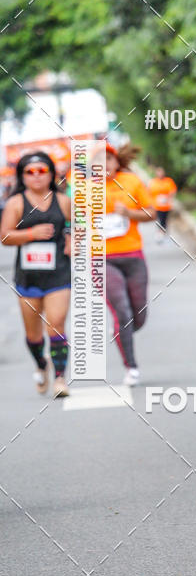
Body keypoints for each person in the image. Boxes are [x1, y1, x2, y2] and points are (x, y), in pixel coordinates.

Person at [1, 151, 71, 398]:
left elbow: (76, 223)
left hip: (59, 274)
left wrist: (72, 238)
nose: (37, 176)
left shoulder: (62, 201)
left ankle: (60, 377)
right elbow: (5, 237)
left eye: (42, 170)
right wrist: (31, 234)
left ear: (51, 174)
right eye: (30, 172)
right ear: (22, 176)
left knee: (57, 325)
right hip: (28, 278)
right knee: (33, 335)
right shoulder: (16, 203)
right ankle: (41, 365)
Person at [103, 143, 156, 385]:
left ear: (116, 162)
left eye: (107, 160)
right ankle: (131, 367)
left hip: (133, 255)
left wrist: (129, 214)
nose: (103, 165)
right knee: (122, 311)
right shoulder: (83, 188)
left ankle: (121, 332)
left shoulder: (131, 182)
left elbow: (151, 213)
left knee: (139, 315)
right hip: (101, 259)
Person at [148, 166, 177, 242]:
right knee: (159, 219)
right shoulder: (153, 182)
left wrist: (170, 199)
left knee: (164, 219)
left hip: (166, 205)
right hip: (156, 205)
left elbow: (172, 191)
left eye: (161, 172)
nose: (160, 174)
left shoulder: (168, 181)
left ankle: (163, 231)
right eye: (158, 172)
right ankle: (160, 232)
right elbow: (149, 192)